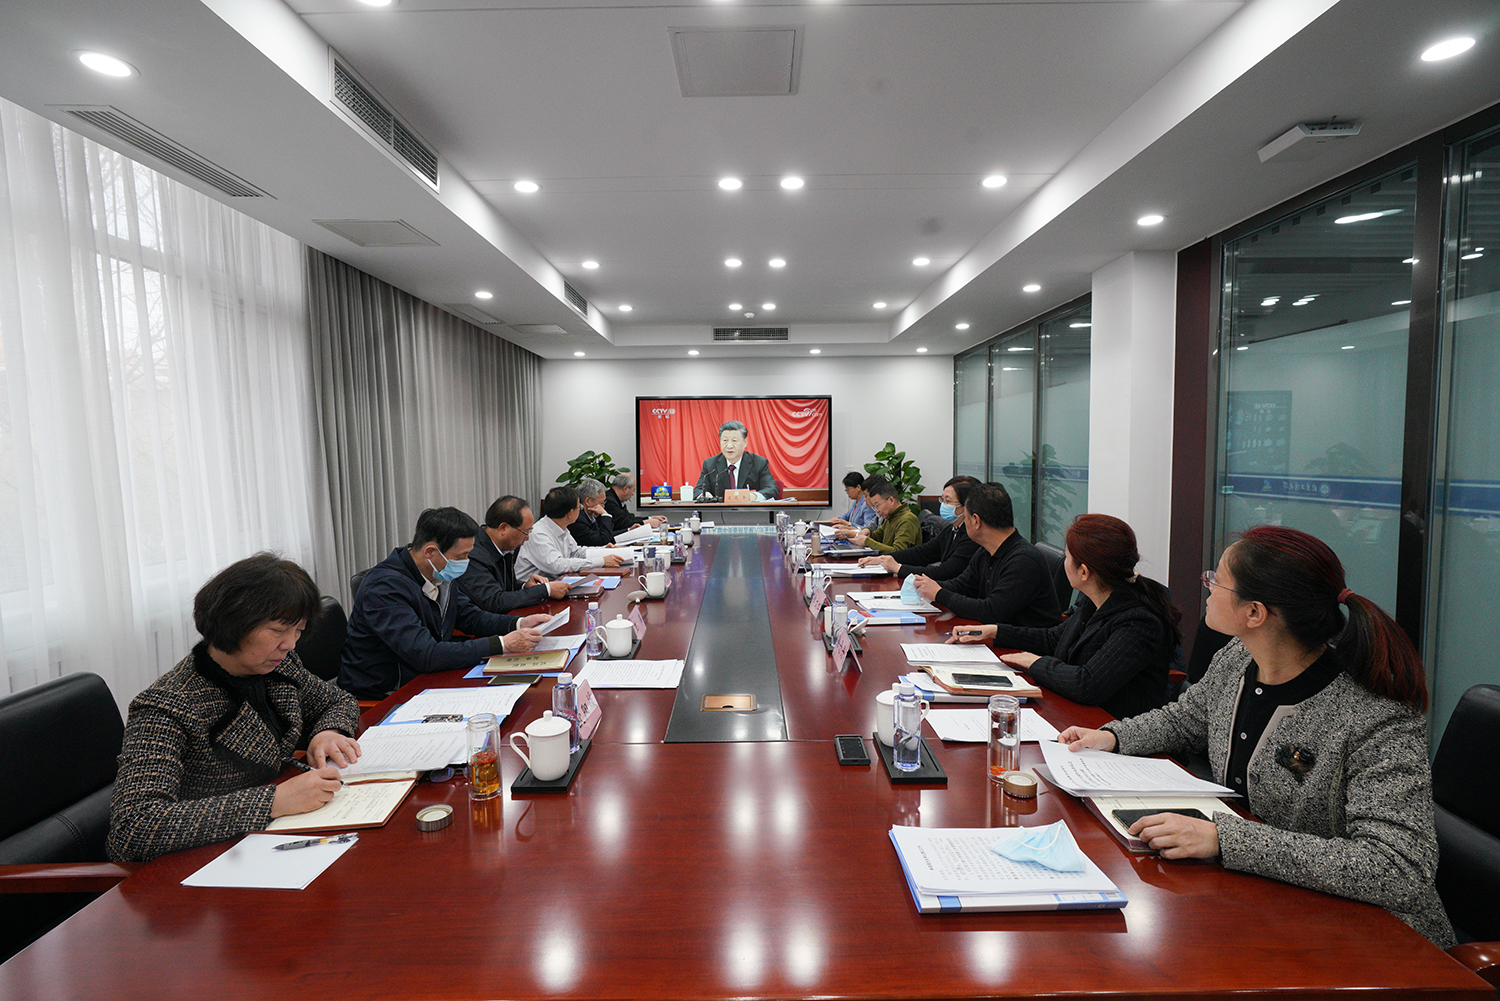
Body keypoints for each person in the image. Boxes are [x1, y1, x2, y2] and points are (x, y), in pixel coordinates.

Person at [1057, 525, 1453, 947]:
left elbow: (1397, 867)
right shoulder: (1238, 658)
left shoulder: (1374, 715)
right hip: (1269, 900)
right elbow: (1187, 718)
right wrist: (1112, 737)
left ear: (1255, 613)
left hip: (1375, 938)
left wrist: (1224, 837)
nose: (1207, 587)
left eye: (1217, 580)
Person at [108, 554, 362, 863]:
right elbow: (133, 826)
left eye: (298, 630)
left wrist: (327, 732)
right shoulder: (168, 704)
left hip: (268, 841)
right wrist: (272, 801)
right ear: (235, 623)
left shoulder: (279, 667)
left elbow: (338, 701)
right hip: (198, 864)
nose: (291, 644)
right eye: (278, 630)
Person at [949, 513, 1178, 718]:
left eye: (1067, 556)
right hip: (1076, 714)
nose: (1064, 562)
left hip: (1110, 730)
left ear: (1084, 572)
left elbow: (1087, 684)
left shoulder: (1139, 621)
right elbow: (1054, 639)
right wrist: (995, 631)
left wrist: (1035, 662)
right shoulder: (1095, 599)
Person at [339, 507, 549, 699]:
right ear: (430, 552)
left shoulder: (439, 572)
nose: (466, 562)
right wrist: (503, 644)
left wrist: (518, 623)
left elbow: (471, 617)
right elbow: (426, 654)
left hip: (429, 677)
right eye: (462, 556)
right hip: (386, 694)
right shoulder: (384, 588)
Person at [910, 482, 1061, 627]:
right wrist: (927, 586)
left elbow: (992, 611)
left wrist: (939, 594)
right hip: (993, 634)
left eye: (966, 517)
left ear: (976, 521)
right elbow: (962, 585)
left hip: (1020, 642)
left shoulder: (1024, 561)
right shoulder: (986, 551)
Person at [458, 495, 570, 614]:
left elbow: (503, 587)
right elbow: (494, 601)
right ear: (503, 528)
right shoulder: (473, 554)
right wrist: (545, 590)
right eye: (525, 532)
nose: (527, 538)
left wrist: (524, 586)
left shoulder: (502, 547)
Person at [861, 475, 979, 579]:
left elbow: (946, 571)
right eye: (942, 500)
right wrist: (883, 559)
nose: (943, 505)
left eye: (948, 501)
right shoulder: (951, 530)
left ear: (967, 505)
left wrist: (899, 568)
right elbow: (922, 552)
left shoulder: (972, 537)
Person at [516, 486, 625, 579]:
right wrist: (601, 561)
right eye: (579, 507)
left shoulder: (561, 527)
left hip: (555, 582)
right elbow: (557, 565)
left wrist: (604, 550)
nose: (580, 510)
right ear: (570, 513)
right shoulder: (538, 534)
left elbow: (576, 552)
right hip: (533, 590)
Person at [835, 475, 920, 554]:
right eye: (874, 507)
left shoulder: (907, 520)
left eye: (877, 505)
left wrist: (866, 541)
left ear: (891, 500)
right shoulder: (890, 517)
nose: (876, 511)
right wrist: (865, 533)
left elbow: (899, 552)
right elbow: (876, 536)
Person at [694, 420, 777, 500]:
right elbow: (698, 490)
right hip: (720, 510)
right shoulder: (710, 464)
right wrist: (703, 495)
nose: (729, 446)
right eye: (725, 440)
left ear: (745, 442)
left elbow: (772, 489)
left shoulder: (759, 463)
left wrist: (753, 496)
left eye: (734, 441)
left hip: (748, 509)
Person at [568, 478, 619, 547]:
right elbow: (603, 540)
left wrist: (628, 530)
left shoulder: (591, 515)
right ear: (588, 501)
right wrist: (605, 515)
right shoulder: (578, 519)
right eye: (601, 502)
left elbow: (608, 535)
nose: (603, 506)